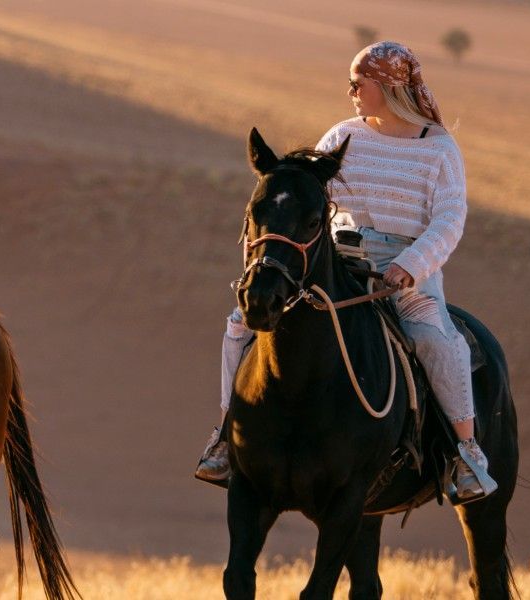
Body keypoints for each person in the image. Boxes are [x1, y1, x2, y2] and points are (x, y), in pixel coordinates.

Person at [195, 41, 500, 503]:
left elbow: (449, 219)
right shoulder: (340, 136)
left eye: (359, 83)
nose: (351, 92)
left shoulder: (439, 149)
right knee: (241, 324)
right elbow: (308, 199)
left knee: (437, 340)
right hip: (338, 262)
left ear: (389, 87)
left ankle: (464, 454)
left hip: (405, 272)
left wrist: (411, 265)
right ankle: (224, 438)